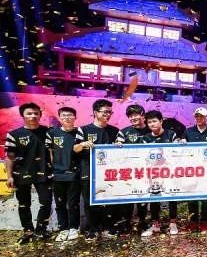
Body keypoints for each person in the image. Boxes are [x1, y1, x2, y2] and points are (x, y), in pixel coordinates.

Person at [4, 102, 53, 244]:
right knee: (24, 204)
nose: (33, 116)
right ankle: (28, 231)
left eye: (36, 113)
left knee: (46, 202)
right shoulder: (14, 134)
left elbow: (53, 152)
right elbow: (10, 157)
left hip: (44, 172)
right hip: (21, 174)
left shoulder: (48, 132)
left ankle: (41, 230)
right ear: (22, 115)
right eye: (29, 113)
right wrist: (9, 176)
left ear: (40, 115)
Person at [74, 99, 119, 239]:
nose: (108, 115)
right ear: (95, 112)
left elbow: (119, 152)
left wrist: (119, 147)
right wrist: (82, 144)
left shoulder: (114, 131)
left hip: (108, 173)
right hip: (88, 171)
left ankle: (107, 227)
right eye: (105, 112)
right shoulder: (83, 130)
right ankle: (92, 229)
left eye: (110, 112)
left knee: (108, 200)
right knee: (89, 201)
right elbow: (75, 148)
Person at [140, 110, 182, 237]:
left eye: (154, 121)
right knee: (154, 198)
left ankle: (173, 223)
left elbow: (177, 152)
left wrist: (182, 144)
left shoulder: (171, 134)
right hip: (154, 174)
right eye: (149, 122)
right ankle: (155, 225)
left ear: (161, 121)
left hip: (169, 172)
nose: (152, 124)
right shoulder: (146, 138)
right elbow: (144, 157)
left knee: (172, 196)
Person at [115, 104, 152, 234]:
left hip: (147, 172)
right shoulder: (123, 132)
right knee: (128, 199)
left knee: (143, 199)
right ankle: (127, 223)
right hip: (129, 173)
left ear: (143, 115)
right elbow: (117, 153)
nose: (133, 118)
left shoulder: (151, 130)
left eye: (136, 115)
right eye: (130, 116)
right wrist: (116, 147)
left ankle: (143, 222)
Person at [46, 106, 81, 242]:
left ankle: (74, 228)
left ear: (75, 117)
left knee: (73, 203)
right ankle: (63, 228)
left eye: (70, 115)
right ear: (59, 118)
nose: (67, 118)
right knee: (60, 204)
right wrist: (52, 170)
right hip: (58, 174)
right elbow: (49, 153)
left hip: (74, 174)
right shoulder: (52, 133)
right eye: (64, 115)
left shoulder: (79, 132)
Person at [184, 107, 207, 233]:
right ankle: (193, 221)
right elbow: (183, 148)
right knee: (192, 196)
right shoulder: (188, 131)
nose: (199, 118)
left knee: (206, 197)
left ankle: (205, 222)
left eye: (201, 116)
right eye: (197, 116)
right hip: (192, 170)